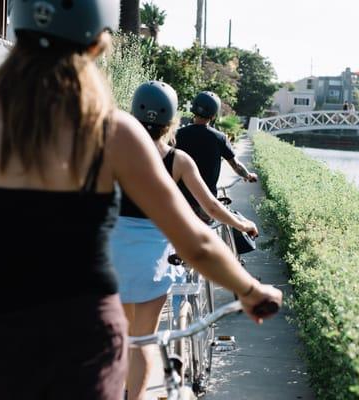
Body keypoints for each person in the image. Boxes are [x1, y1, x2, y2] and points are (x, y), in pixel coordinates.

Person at [0, 1, 282, 399]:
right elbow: (196, 243)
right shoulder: (112, 130)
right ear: (99, 46)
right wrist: (251, 291)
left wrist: (0, 309)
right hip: (83, 334)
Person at [111, 81, 259, 400]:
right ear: (172, 121)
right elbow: (211, 205)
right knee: (144, 339)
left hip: (114, 257)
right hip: (154, 260)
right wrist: (242, 223)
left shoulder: (112, 152)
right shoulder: (178, 160)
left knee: (121, 337)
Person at [176, 92, 257, 218]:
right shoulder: (220, 138)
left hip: (179, 201)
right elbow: (236, 165)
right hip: (206, 203)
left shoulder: (178, 134)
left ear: (193, 109)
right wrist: (248, 175)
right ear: (213, 115)